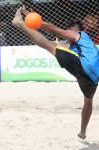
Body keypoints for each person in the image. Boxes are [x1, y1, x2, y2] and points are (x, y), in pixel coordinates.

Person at [12, 8, 99, 140]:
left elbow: (53, 30)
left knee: (50, 47)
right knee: (88, 101)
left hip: (84, 67)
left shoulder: (78, 35)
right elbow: (58, 45)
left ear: (73, 31)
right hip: (92, 78)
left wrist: (37, 21)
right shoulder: (84, 46)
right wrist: (55, 43)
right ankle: (82, 131)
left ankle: (19, 23)